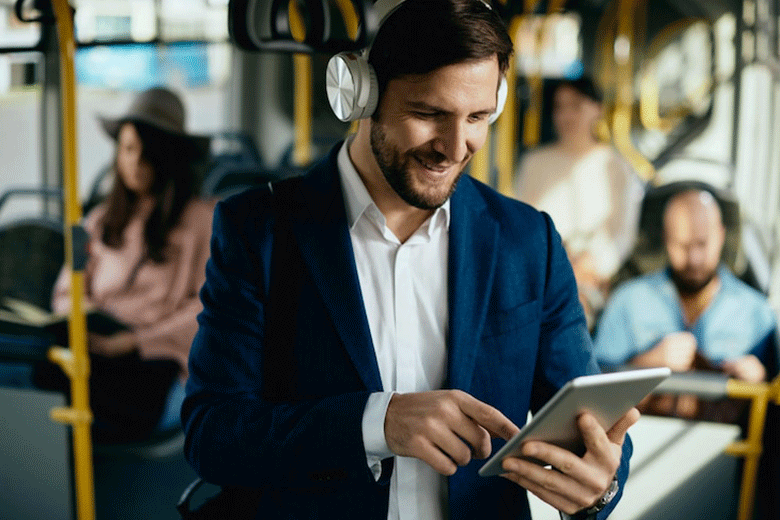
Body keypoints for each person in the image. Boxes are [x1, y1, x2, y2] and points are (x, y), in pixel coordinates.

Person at [183, 1, 637, 518]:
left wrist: (599, 486)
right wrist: (376, 423)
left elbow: (587, 425)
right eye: (428, 114)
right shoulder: (258, 230)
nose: (454, 146)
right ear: (361, 94)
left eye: (477, 117)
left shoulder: (527, 240)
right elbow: (212, 435)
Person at [38, 86, 216, 441]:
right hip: (93, 346)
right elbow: (66, 288)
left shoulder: (202, 220)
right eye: (127, 149)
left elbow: (206, 307)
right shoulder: (98, 220)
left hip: (154, 359)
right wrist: (85, 321)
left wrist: (135, 340)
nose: (134, 163)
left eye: (146, 154)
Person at [594, 188, 777, 419]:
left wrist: (759, 381)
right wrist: (648, 362)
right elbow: (594, 382)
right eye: (681, 245)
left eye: (702, 244)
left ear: (721, 236)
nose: (693, 259)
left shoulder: (758, 313)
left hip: (727, 450)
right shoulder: (627, 301)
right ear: (665, 239)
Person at [514, 77, 644, 329]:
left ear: (597, 108)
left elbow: (622, 236)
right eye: (559, 107)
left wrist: (593, 263)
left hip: (593, 279)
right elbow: (522, 225)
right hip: (543, 272)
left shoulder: (617, 167)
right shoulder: (535, 163)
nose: (565, 115)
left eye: (575, 106)